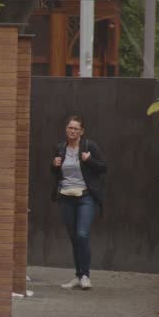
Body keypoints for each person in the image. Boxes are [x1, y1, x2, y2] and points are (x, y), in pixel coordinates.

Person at [51, 115, 108, 290]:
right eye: (70, 128)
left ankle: (85, 276)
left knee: (82, 234)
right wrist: (54, 165)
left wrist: (88, 160)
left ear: (82, 131)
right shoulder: (60, 148)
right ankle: (78, 275)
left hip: (85, 196)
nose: (72, 131)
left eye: (76, 128)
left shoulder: (89, 147)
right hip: (66, 196)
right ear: (66, 129)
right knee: (74, 237)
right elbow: (56, 174)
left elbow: (103, 167)